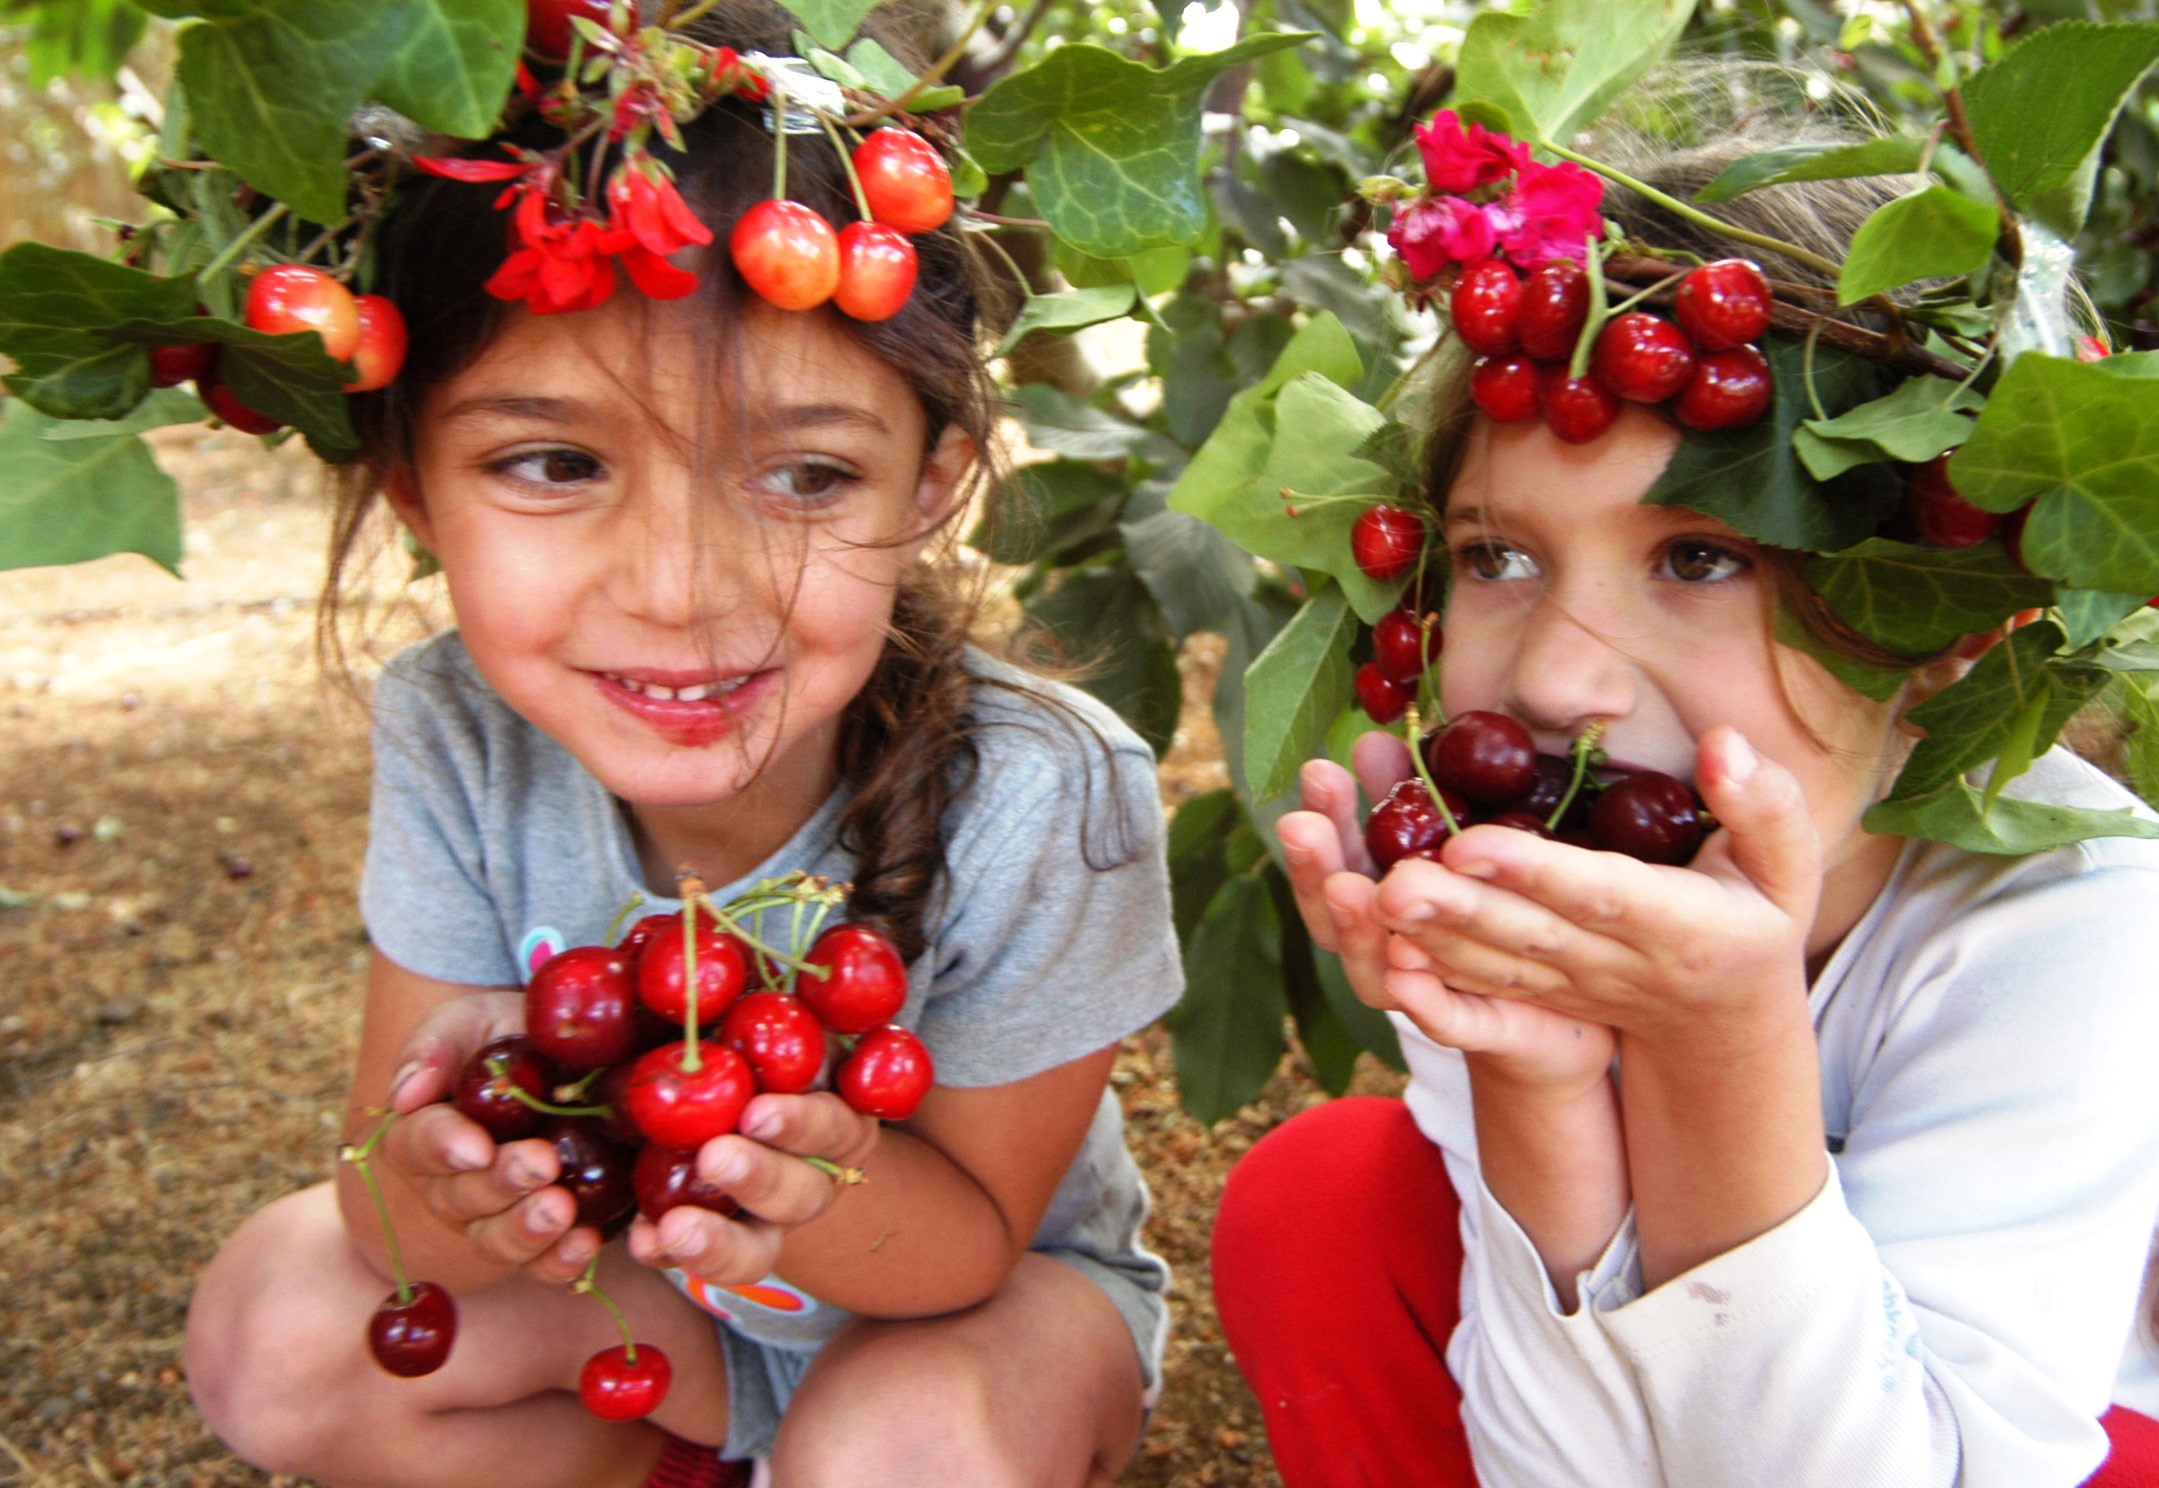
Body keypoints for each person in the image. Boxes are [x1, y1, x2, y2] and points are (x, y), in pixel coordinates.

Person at [178, 11, 1181, 1487]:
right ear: (410, 486)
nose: (680, 587)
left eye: (806, 474)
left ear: (932, 485)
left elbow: (969, 1243)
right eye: (556, 461)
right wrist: (431, 1196)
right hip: (648, 1304)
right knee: (278, 1331)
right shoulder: (454, 726)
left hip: (968, 1313)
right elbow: (378, 1201)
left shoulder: (1049, 789)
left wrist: (791, 1189)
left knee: (901, 1443)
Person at [1210, 126, 2159, 1487]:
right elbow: (1549, 1465)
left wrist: (1720, 1053)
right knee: (1327, 1206)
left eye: (1700, 555)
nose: (1553, 677)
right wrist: (1538, 1087)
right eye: (1498, 555)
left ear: (1951, 615)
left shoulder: (2083, 927)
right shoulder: (1500, 874)